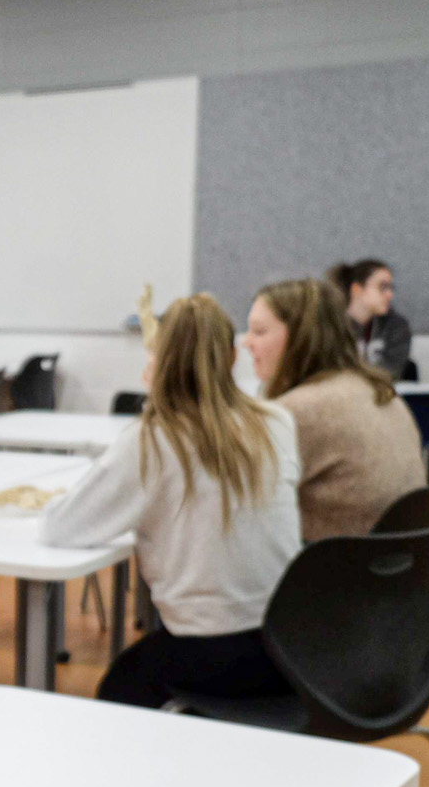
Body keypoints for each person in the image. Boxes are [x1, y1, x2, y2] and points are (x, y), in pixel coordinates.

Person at [41, 293, 302, 710]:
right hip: (293, 646)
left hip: (211, 652)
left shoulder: (152, 438)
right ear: (232, 357)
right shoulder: (278, 422)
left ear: (156, 359)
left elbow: (63, 527)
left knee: (118, 688)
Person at [245, 278, 424, 541]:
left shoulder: (297, 411)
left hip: (334, 572)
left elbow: (240, 503)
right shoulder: (382, 394)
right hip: (402, 570)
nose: (247, 342)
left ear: (300, 338)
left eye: (259, 331)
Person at [324, 259, 413, 378]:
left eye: (391, 288)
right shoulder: (330, 324)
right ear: (357, 289)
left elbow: (391, 373)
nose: (390, 295)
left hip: (380, 392)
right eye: (383, 287)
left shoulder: (396, 326)